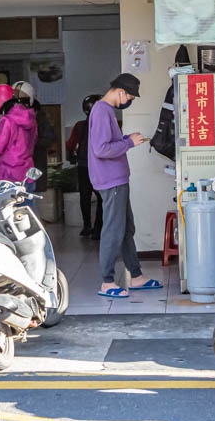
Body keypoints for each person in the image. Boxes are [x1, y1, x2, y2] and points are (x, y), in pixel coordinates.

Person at [89, 73, 162, 299]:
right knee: (113, 231)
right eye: (130, 96)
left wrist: (126, 139)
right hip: (111, 182)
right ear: (120, 91)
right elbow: (101, 149)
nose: (130, 100)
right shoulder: (102, 110)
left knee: (126, 229)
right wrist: (129, 142)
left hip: (118, 180)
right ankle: (107, 282)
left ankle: (137, 276)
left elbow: (109, 144)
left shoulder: (107, 111)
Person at [0, 84, 38, 184]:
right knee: (27, 199)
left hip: (9, 175)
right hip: (28, 174)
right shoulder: (32, 119)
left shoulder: (7, 121)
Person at [66, 94, 103, 238]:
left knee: (85, 196)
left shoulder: (79, 125)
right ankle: (98, 229)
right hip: (99, 166)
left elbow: (70, 144)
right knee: (101, 198)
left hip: (82, 165)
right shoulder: (102, 124)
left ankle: (86, 225)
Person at [13, 81, 56, 193]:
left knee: (30, 199)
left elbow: (49, 138)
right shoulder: (9, 116)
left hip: (34, 165)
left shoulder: (38, 116)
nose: (16, 100)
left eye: (20, 96)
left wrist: (29, 143)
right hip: (15, 169)